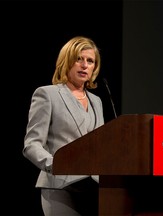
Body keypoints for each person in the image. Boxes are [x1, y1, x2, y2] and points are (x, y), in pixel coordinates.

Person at [23, 36, 104, 215]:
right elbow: (32, 144)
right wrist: (57, 164)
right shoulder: (47, 94)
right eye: (78, 59)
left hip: (94, 188)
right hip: (60, 186)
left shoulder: (97, 102)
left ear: (94, 67)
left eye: (90, 61)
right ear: (67, 61)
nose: (84, 65)